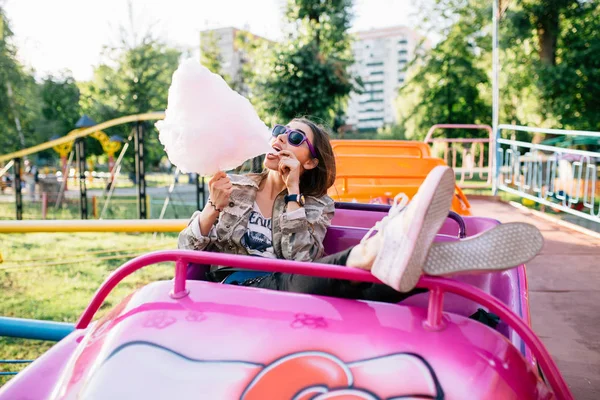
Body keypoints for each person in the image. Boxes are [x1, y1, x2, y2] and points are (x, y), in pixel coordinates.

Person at [178, 118, 543, 302]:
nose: (281, 139)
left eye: (295, 138)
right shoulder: (235, 187)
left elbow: (299, 260)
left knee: (379, 285)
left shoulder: (317, 205)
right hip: (238, 291)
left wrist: (292, 194)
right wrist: (213, 206)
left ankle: (412, 257)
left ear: (309, 162)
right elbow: (184, 253)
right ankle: (389, 244)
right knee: (346, 277)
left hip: (290, 291)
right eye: (280, 131)